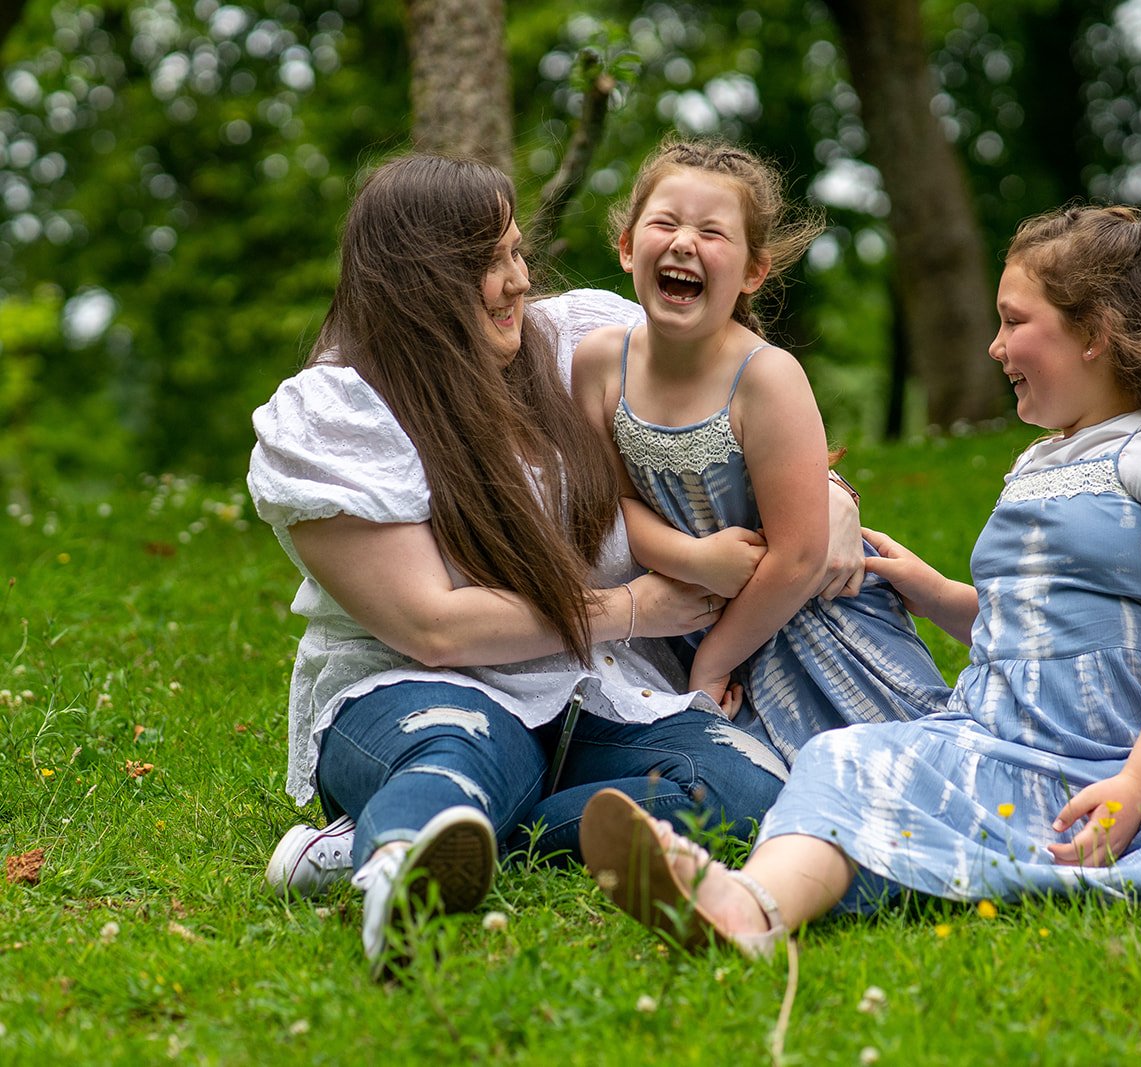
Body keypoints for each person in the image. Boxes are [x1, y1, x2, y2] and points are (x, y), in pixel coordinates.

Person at [580, 205, 1141, 967]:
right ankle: (747, 906)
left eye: (1015, 321)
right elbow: (1030, 620)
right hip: (1004, 745)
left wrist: (1138, 784)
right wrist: (936, 590)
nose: (994, 346)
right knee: (849, 762)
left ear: (1097, 334)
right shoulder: (1039, 458)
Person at [247, 154, 858, 976]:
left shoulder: (582, 340)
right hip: (422, 691)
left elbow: (723, 423)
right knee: (460, 752)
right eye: (485, 266)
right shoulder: (333, 414)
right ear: (409, 283)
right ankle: (398, 862)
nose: (515, 282)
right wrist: (634, 608)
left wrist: (829, 499)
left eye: (514, 252)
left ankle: (445, 832)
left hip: (600, 691)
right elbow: (432, 626)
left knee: (745, 789)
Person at [571, 138, 950, 764]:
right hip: (695, 612)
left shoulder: (765, 377)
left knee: (892, 774)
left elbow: (800, 556)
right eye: (664, 222)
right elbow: (612, 505)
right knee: (742, 789)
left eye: (713, 232)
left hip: (816, 618)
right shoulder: (600, 366)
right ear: (626, 245)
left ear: (753, 270)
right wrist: (693, 558)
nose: (684, 242)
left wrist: (714, 661)